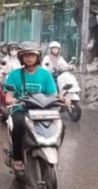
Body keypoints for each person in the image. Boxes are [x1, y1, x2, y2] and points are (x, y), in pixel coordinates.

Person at [4, 42, 58, 171]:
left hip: (42, 111)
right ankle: (17, 158)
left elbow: (53, 95)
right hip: (21, 110)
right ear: (21, 57)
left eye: (32, 55)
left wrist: (63, 99)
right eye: (26, 55)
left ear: (37, 57)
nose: (29, 58)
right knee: (18, 124)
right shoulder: (14, 74)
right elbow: (9, 95)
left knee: (59, 125)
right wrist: (10, 99)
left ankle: (52, 150)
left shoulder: (45, 74)